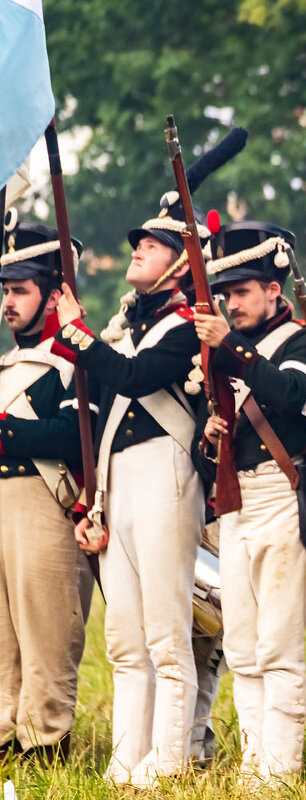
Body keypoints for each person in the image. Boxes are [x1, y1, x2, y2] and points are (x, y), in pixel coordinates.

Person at [55, 197, 207, 787]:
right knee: (124, 637)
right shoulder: (128, 327)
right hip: (120, 482)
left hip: (165, 475)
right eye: (137, 242)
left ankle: (168, 762)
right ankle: (128, 759)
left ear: (178, 265)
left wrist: (77, 333)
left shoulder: (185, 325)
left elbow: (136, 377)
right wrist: (92, 501)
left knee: (168, 633)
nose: (136, 247)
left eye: (152, 244)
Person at [189, 220, 306, 787]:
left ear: (274, 290)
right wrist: (211, 434)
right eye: (227, 292)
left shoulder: (298, 342)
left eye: (242, 291)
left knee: (278, 648)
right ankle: (253, 766)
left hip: (281, 495)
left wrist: (232, 347)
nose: (231, 302)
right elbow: (208, 443)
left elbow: (293, 395)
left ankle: (282, 769)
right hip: (237, 500)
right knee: (242, 646)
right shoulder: (225, 353)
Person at [0, 220, 89, 762]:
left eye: (20, 291)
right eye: (5, 291)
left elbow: (74, 439)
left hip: (43, 503)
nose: (8, 303)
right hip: (3, 503)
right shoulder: (9, 362)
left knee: (46, 631)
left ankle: (46, 739)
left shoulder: (72, 360)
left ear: (54, 294)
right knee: (3, 634)